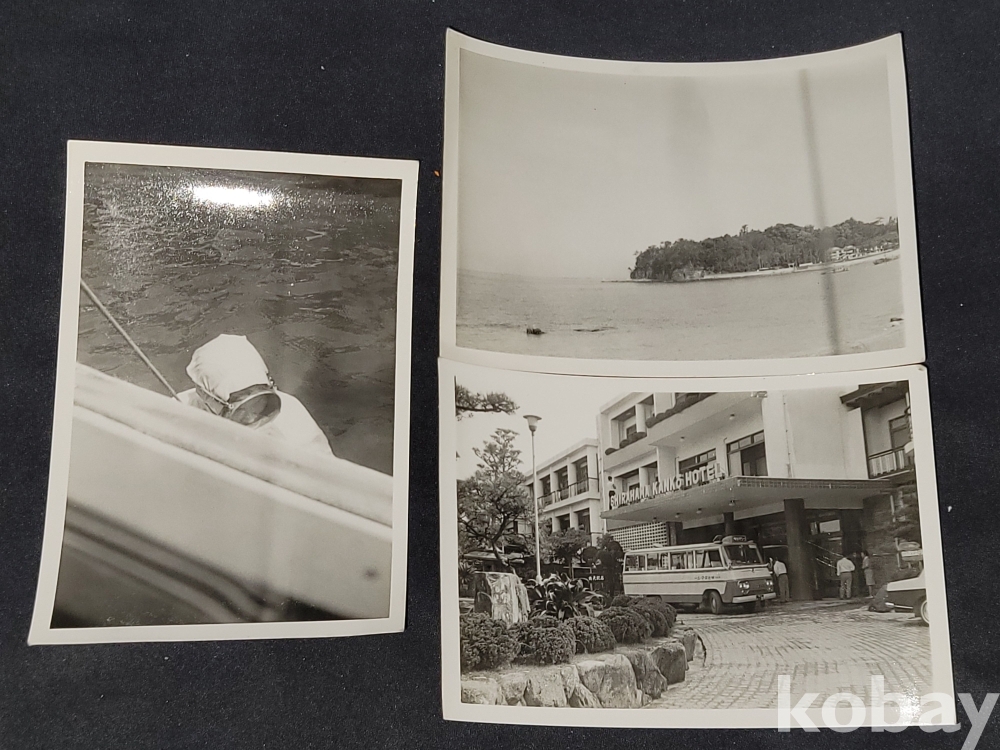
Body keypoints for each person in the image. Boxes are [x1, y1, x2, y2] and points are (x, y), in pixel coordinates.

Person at [177, 334, 334, 457]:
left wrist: (286, 453)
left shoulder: (291, 412)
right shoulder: (179, 410)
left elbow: (326, 469)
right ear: (205, 396)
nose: (253, 416)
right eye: (242, 408)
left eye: (261, 400)